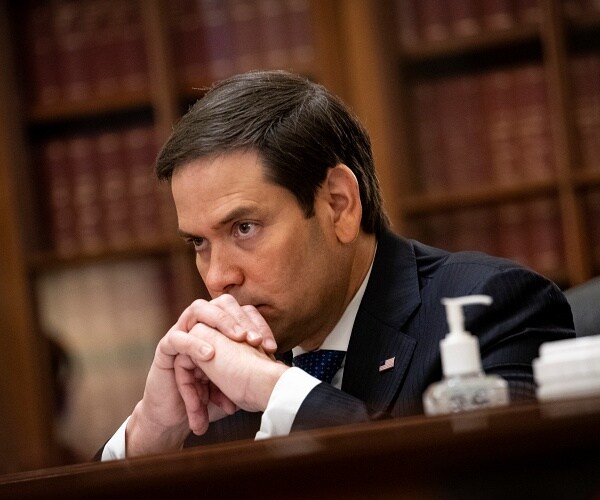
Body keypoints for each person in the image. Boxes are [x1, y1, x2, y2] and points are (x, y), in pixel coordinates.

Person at [98, 70, 574, 460]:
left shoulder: (492, 308)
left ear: (339, 205)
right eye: (199, 242)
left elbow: (491, 484)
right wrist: (150, 431)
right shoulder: (214, 379)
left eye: (244, 228)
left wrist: (279, 390)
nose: (218, 277)